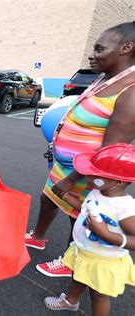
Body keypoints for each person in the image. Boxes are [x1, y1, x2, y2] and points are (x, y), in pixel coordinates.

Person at [25, 21, 135, 277]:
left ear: (126, 48)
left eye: (99, 49)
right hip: (65, 166)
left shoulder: (130, 92)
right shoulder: (104, 78)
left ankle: (71, 261)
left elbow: (109, 152)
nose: (92, 54)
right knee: (48, 199)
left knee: (81, 216)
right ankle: (38, 237)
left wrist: (73, 178)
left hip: (86, 173)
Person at [43, 144, 135, 315]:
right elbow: (84, 208)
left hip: (104, 261)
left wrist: (105, 234)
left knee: (99, 295)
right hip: (85, 252)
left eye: (96, 175)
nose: (88, 177)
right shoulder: (98, 192)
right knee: (78, 277)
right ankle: (70, 301)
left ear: (120, 181)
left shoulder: (125, 208)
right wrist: (64, 195)